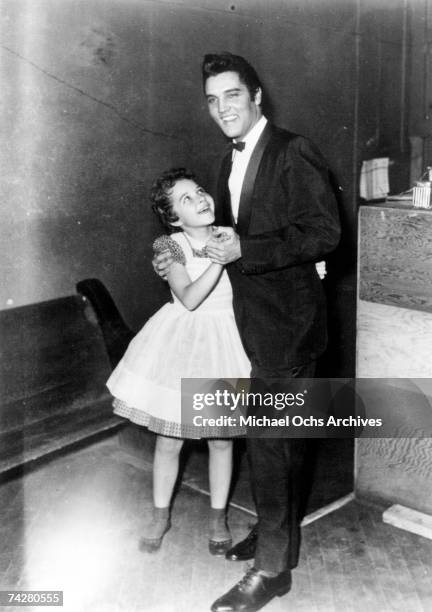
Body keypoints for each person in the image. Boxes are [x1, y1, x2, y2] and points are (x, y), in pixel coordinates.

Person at [154, 52, 340, 612]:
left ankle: (272, 571)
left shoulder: (292, 149)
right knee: (281, 444)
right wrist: (173, 251)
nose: (221, 109)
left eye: (232, 95)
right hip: (250, 325)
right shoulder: (223, 163)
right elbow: (211, 233)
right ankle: (276, 535)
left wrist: (248, 249)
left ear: (257, 96)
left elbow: (325, 232)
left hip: (288, 326)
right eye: (212, 100)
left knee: (269, 445)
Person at [106, 167, 251, 556]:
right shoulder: (169, 246)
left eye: (200, 191)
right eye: (187, 199)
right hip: (182, 345)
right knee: (169, 441)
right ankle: (160, 514)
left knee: (222, 441)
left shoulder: (233, 234)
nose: (201, 199)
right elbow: (188, 297)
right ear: (173, 218)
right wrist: (220, 261)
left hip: (226, 342)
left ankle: (218, 516)